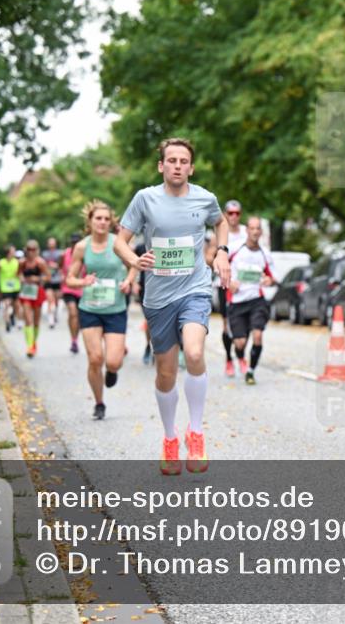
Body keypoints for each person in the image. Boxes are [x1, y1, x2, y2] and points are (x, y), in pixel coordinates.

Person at [115, 137, 230, 475]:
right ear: (161, 166)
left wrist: (221, 252)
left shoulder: (205, 198)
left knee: (193, 353)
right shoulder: (145, 199)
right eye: (172, 160)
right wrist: (136, 260)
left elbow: (220, 222)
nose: (178, 165)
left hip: (194, 290)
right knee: (165, 373)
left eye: (184, 161)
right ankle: (170, 438)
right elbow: (120, 242)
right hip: (158, 297)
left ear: (191, 168)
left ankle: (195, 433)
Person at [67, 200, 136, 420]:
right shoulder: (81, 247)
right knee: (95, 358)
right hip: (90, 308)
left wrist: (128, 282)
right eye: (98, 218)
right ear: (90, 221)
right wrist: (82, 282)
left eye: (107, 219)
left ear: (111, 222)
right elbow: (69, 279)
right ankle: (99, 403)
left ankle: (113, 371)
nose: (103, 222)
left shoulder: (119, 243)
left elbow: (134, 265)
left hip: (116, 308)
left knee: (113, 361)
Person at [227, 217, 275, 385]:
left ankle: (251, 371)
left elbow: (272, 277)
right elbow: (220, 267)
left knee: (257, 336)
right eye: (252, 228)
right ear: (246, 230)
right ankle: (240, 357)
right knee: (239, 343)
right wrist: (228, 282)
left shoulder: (265, 253)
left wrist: (270, 281)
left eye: (258, 229)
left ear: (261, 231)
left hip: (257, 300)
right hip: (237, 301)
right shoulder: (234, 249)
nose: (255, 232)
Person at [207, 200, 247, 377]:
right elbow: (208, 257)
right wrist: (219, 262)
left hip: (245, 285)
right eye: (230, 213)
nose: (234, 216)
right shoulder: (219, 234)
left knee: (244, 323)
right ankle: (229, 359)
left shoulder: (246, 233)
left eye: (237, 213)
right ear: (225, 214)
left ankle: (241, 355)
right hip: (224, 284)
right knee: (227, 324)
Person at [18, 240, 52, 358]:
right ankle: (30, 346)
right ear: (26, 250)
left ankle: (33, 343)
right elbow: (18, 273)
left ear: (37, 250)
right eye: (29, 249)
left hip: (37, 292)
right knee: (28, 319)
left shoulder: (40, 263)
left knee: (36, 320)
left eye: (33, 249)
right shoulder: (22, 262)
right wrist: (22, 278)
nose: (31, 252)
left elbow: (48, 276)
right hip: (26, 292)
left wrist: (36, 278)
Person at [60, 233, 84, 353]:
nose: (75, 244)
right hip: (68, 288)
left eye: (77, 242)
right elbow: (61, 268)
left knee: (78, 316)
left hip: (82, 288)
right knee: (73, 312)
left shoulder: (86, 253)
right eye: (73, 242)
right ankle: (73, 340)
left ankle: (75, 338)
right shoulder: (65, 254)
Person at [0, 245, 21, 332]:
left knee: (16, 306)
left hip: (16, 287)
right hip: (5, 288)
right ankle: (7, 323)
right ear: (8, 252)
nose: (14, 253)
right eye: (13, 251)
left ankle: (14, 317)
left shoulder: (17, 262)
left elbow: (20, 274)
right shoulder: (1, 263)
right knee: (6, 305)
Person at [42, 237, 63, 328]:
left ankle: (55, 314)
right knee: (50, 300)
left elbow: (62, 265)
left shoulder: (60, 253)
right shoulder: (44, 254)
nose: (51, 244)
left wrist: (57, 266)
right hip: (48, 279)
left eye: (53, 243)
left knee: (57, 300)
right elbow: (42, 265)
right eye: (50, 243)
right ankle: (51, 320)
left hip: (57, 279)